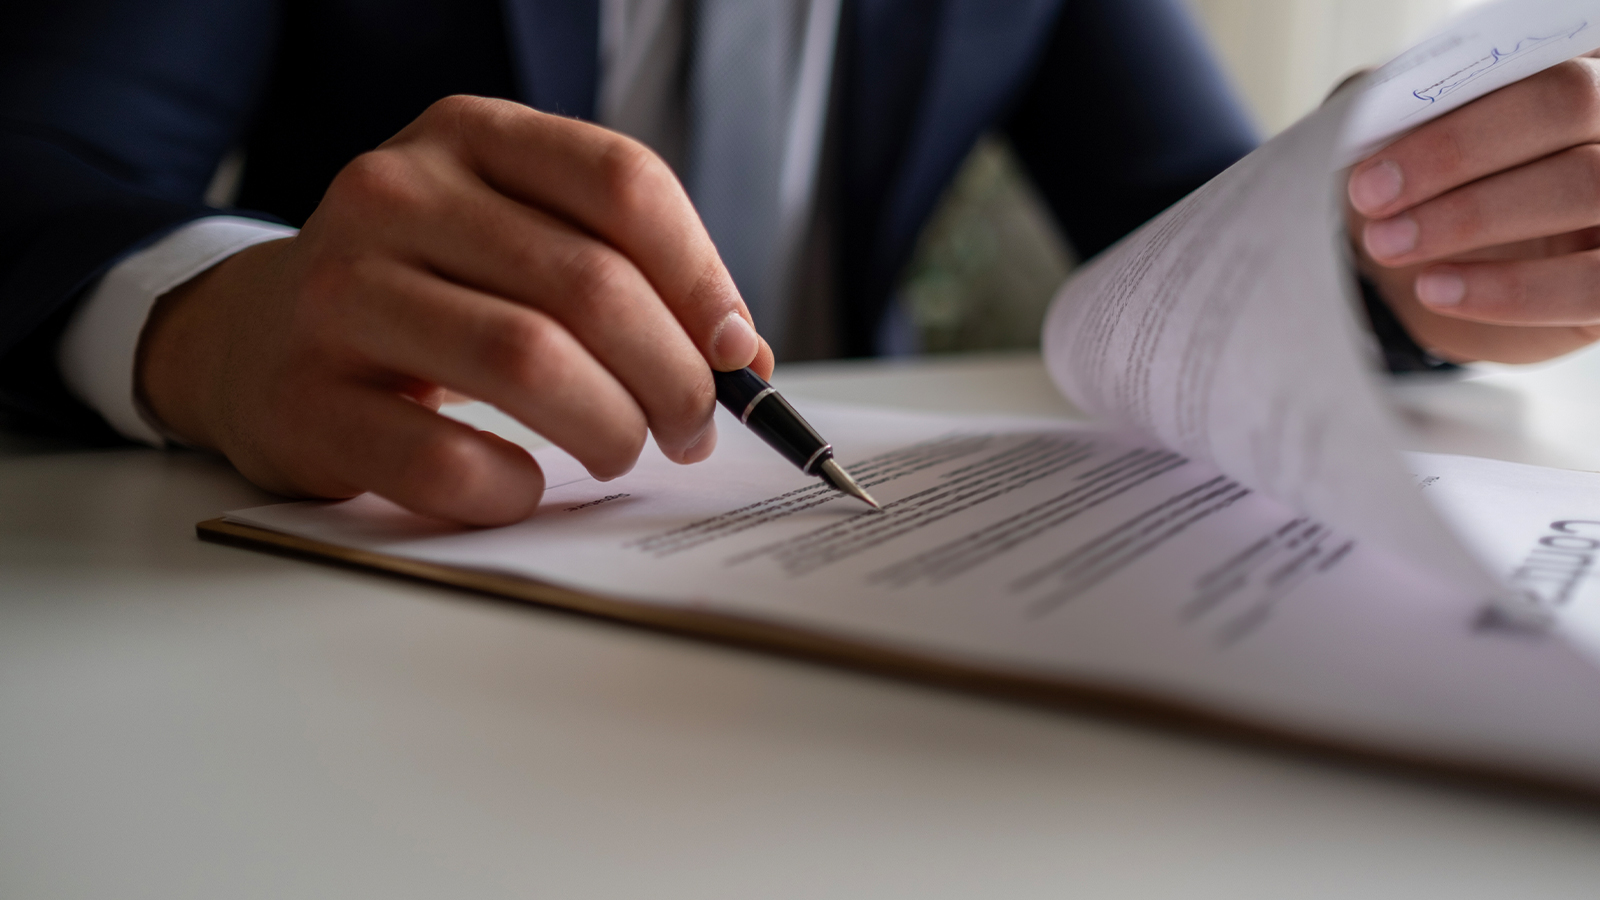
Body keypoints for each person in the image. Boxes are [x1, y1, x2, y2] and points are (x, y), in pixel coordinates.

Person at [0, 1, 1594, 528]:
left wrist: (1398, 235)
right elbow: (42, 165)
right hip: (376, 542)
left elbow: (1188, 213)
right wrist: (206, 327)